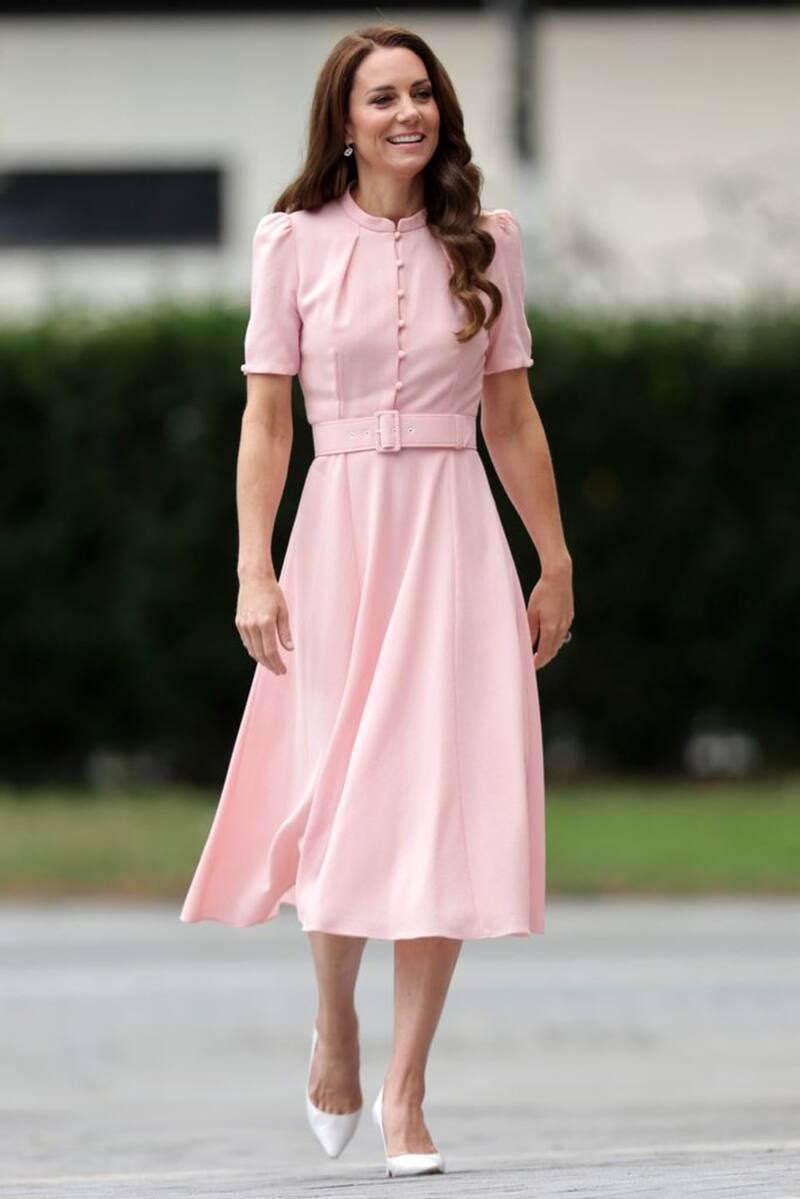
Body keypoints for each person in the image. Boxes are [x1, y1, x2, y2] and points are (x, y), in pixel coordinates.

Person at [180, 22, 574, 1178]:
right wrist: (254, 564)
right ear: (342, 121)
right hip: (339, 536)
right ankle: (335, 1024)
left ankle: (406, 1089)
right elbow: (265, 417)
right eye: (380, 97)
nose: (406, 113)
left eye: (420, 94)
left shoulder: (488, 242)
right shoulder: (290, 242)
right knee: (338, 795)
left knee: (437, 803)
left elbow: (509, 416)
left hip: (453, 535)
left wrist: (552, 559)